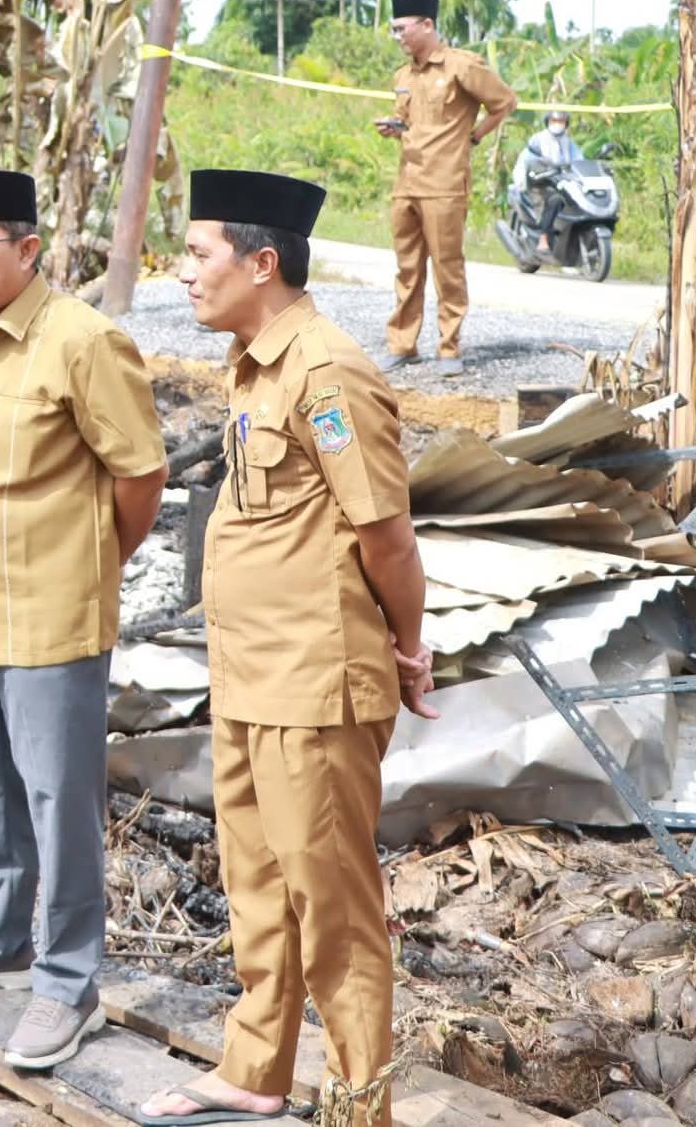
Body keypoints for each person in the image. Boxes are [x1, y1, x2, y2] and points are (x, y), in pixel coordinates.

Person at [136, 168, 439, 1127]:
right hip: (249, 677)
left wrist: (411, 644)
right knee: (257, 887)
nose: (182, 272)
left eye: (197, 254)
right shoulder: (254, 361)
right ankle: (256, 1070)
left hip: (315, 687)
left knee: (335, 907)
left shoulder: (329, 371)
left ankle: (361, 1104)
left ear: (261, 263)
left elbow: (386, 534)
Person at [0, 167, 170, 1072]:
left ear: (28, 247)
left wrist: (88, 564)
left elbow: (140, 478)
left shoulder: (84, 342)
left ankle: (66, 984)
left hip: (51, 611)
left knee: (61, 804)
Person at [370, 0, 518, 378]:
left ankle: (449, 347)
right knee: (407, 269)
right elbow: (409, 121)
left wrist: (474, 137)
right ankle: (403, 345)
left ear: (427, 25)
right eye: (394, 29)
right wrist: (393, 128)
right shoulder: (403, 76)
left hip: (445, 183)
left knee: (447, 268)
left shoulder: (461, 67)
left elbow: (504, 102)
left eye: (402, 28)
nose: (397, 36)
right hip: (407, 183)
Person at [509, 110, 586, 252]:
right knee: (555, 201)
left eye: (561, 122)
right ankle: (543, 238)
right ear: (548, 122)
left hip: (562, 183)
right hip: (540, 183)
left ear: (566, 124)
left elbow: (579, 160)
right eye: (554, 121)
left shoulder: (568, 142)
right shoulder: (538, 141)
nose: (558, 125)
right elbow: (528, 160)